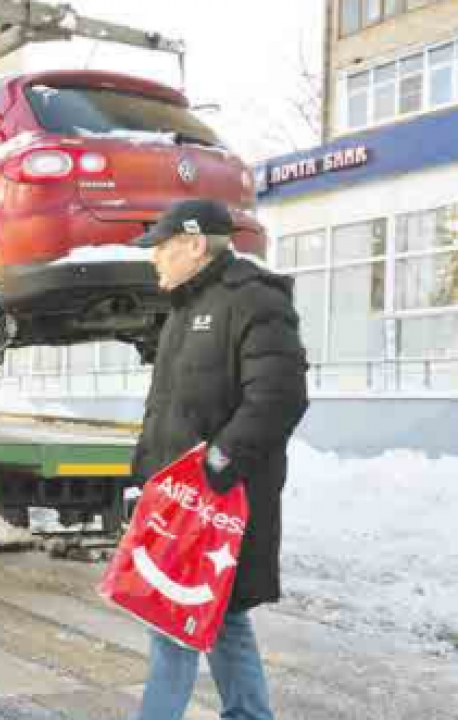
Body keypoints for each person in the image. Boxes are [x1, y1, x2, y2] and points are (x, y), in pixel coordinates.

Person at [129, 199, 310, 720]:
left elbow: (278, 397)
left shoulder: (254, 300)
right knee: (223, 620)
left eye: (161, 248)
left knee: (172, 622)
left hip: (220, 502)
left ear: (194, 243)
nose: (154, 260)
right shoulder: (183, 311)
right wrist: (145, 483)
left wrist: (217, 464)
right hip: (180, 502)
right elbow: (166, 411)